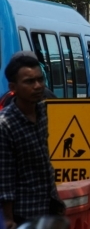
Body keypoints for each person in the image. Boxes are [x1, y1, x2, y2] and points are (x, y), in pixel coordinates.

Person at [0, 53, 65, 228]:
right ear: (13, 86)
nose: (37, 86)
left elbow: (44, 161)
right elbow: (5, 176)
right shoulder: (5, 124)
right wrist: (8, 219)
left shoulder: (42, 112)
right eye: (29, 82)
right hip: (24, 213)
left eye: (39, 80)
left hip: (49, 207)